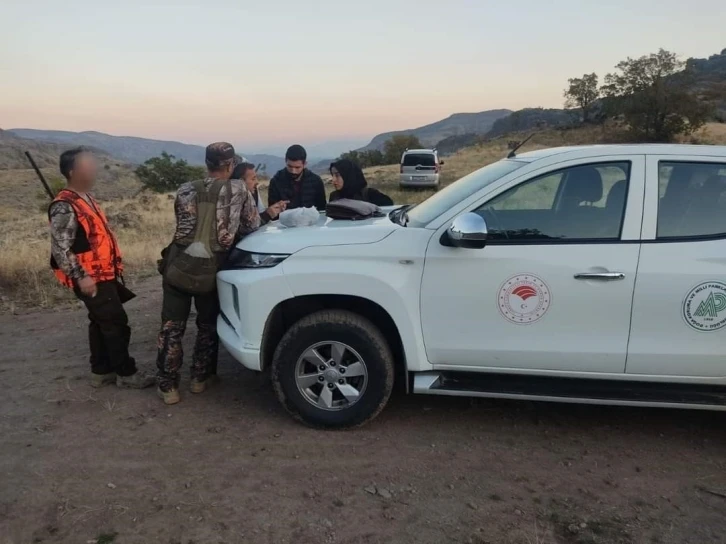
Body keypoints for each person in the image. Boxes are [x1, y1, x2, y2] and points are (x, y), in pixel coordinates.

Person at [156, 143, 265, 405]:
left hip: (178, 265)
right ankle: (200, 378)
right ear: (229, 165)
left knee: (171, 328)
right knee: (207, 325)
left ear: (207, 164)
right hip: (212, 267)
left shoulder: (184, 189)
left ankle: (168, 386)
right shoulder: (239, 189)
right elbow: (251, 227)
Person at [49, 148, 154, 389]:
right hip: (90, 276)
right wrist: (81, 276)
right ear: (73, 171)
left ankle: (101, 371)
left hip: (103, 273)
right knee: (116, 323)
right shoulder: (64, 206)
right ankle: (127, 374)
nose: (94, 168)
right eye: (87, 165)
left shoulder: (85, 198)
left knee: (100, 322)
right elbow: (61, 248)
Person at [268, 144, 326, 210]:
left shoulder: (316, 181)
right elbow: (272, 213)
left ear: (304, 164)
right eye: (290, 166)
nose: (293, 171)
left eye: (297, 167)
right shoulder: (276, 181)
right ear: (285, 161)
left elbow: (322, 209)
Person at [329, 158, 394, 206]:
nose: (333, 179)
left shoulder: (371, 195)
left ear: (349, 176)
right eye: (332, 175)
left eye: (337, 175)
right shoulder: (334, 197)